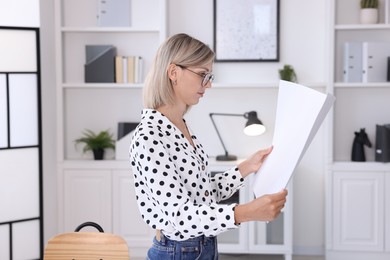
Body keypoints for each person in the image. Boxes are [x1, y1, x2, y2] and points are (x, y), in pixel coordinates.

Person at [129, 33, 288, 260]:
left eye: (209, 75)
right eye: (203, 75)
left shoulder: (180, 126)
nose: (209, 84)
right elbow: (180, 216)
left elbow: (202, 194)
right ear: (173, 72)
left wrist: (246, 167)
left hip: (202, 245)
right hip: (178, 251)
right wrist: (247, 212)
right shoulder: (150, 136)